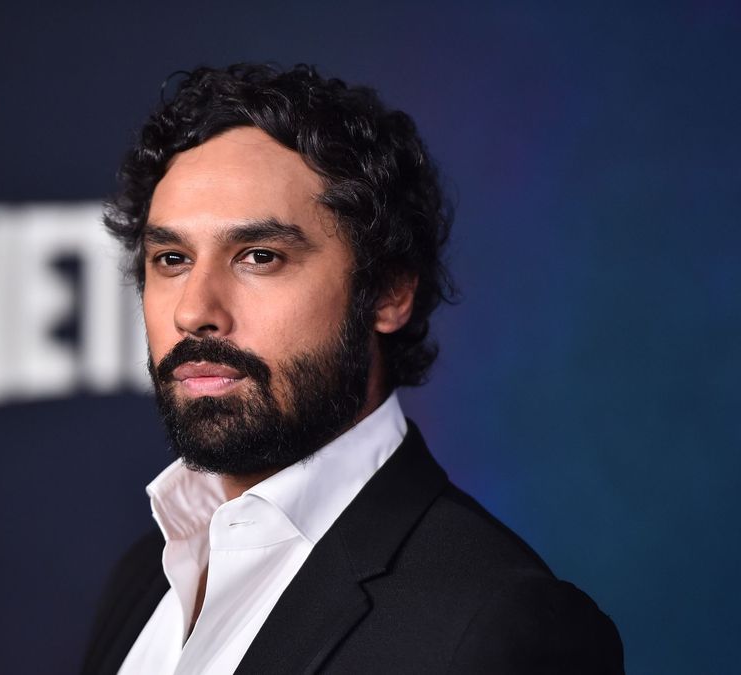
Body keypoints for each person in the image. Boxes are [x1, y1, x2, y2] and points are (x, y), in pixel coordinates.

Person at [80, 63, 624, 675]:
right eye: (172, 258)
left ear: (389, 292)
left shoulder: (502, 625)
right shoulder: (144, 575)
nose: (194, 311)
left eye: (259, 256)